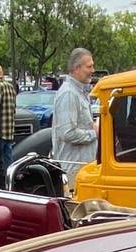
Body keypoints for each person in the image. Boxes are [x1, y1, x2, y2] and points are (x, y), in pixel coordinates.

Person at [53, 47, 97, 190]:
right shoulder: (69, 94)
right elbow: (67, 133)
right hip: (74, 173)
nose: (93, 70)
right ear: (76, 68)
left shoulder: (79, 92)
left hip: (83, 170)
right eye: (89, 66)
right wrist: (94, 133)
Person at [0, 63, 17, 169]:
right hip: (9, 130)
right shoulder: (11, 87)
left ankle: (0, 183)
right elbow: (14, 109)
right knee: (8, 160)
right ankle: (9, 181)